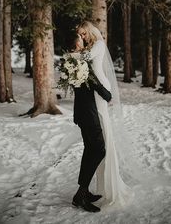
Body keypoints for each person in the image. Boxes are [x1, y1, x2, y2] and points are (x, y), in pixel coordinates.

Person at [77, 21, 134, 209]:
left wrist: (76, 47)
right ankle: (86, 191)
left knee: (100, 138)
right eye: (80, 35)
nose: (82, 37)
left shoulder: (99, 44)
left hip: (99, 91)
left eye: (84, 34)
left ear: (90, 32)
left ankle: (98, 188)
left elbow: (84, 58)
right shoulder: (89, 47)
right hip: (93, 93)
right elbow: (81, 63)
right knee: (96, 142)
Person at [67, 32, 112, 213]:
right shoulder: (79, 60)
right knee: (99, 149)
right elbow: (92, 81)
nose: (83, 39)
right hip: (88, 113)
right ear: (76, 42)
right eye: (80, 37)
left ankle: (83, 191)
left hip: (82, 111)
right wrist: (107, 95)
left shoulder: (70, 59)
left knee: (90, 149)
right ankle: (81, 194)